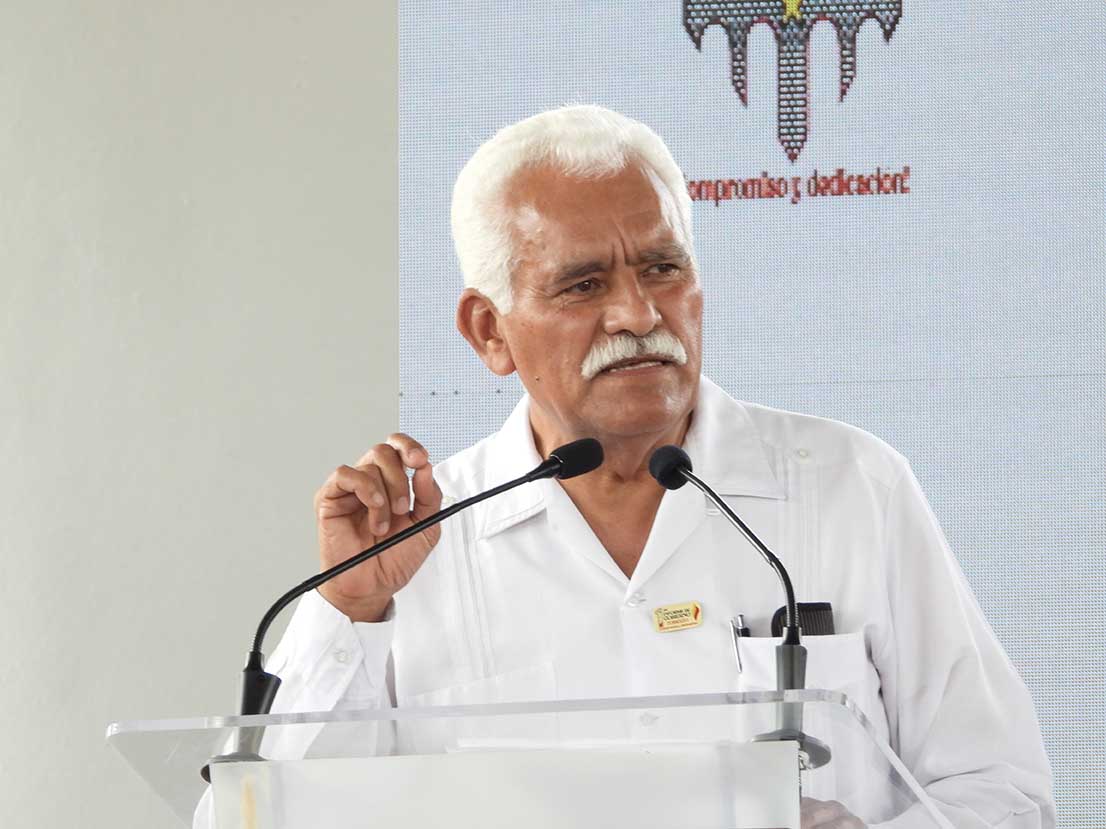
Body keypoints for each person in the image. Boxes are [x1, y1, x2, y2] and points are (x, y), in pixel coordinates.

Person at [200, 106, 1054, 828]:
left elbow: (1008, 794)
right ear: (489, 331)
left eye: (662, 267)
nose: (639, 313)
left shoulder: (850, 485)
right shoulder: (418, 536)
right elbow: (254, 818)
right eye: (583, 285)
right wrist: (350, 609)